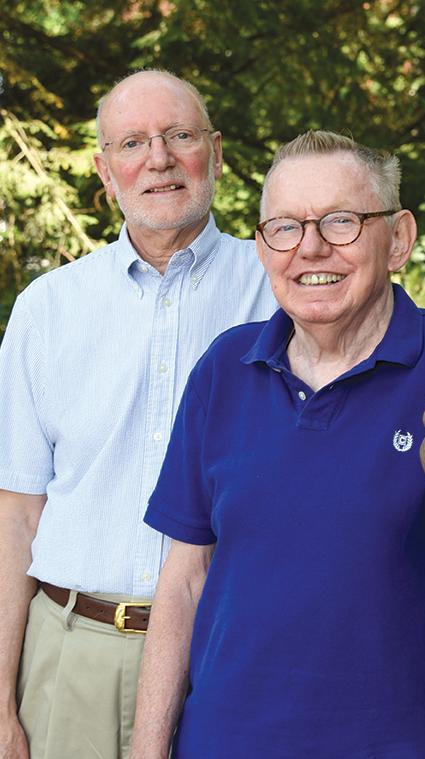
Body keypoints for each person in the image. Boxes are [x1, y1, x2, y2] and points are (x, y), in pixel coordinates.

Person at [129, 131, 425, 758]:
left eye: (341, 222)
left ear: (398, 239)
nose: (310, 248)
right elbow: (184, 578)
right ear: (263, 247)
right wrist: (148, 751)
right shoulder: (224, 369)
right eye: (284, 227)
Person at [0, 70, 276, 759]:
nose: (157, 158)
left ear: (213, 153)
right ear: (105, 170)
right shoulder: (48, 308)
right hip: (71, 663)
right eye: (132, 142)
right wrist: (1, 699)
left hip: (233, 651)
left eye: (178, 135)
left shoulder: (281, 290)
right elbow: (16, 518)